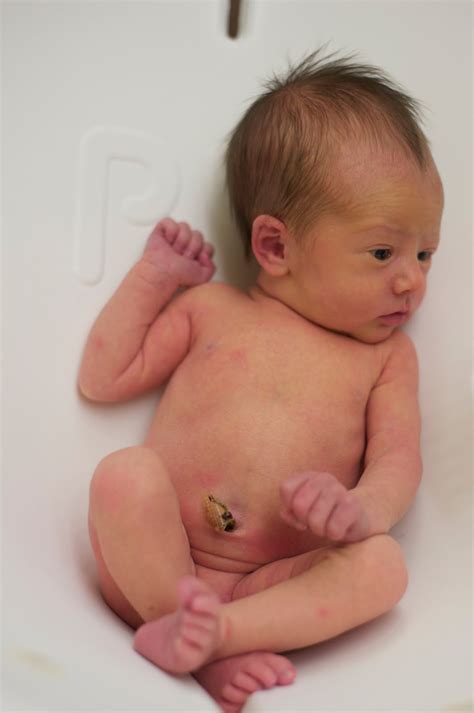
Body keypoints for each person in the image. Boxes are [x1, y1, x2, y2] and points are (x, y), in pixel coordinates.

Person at [80, 49, 444, 712]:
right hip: (157, 563)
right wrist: (155, 277)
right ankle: (189, 627)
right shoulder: (210, 308)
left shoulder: (387, 358)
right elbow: (104, 377)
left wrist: (363, 509)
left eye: (426, 252)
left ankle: (217, 638)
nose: (412, 279)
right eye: (384, 251)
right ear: (276, 247)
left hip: (269, 589)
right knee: (121, 475)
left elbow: (400, 457)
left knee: (383, 566)